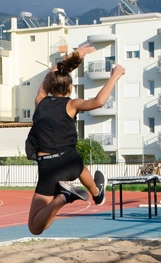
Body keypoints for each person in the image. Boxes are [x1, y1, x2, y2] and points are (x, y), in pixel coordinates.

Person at [25, 43, 123, 235]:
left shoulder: (40, 100)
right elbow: (99, 102)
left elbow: (52, 73)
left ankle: (63, 198)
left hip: (49, 167)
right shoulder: (72, 104)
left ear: (49, 86)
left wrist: (75, 55)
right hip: (71, 162)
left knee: (35, 227)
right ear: (70, 88)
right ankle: (97, 193)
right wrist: (114, 76)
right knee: (76, 161)